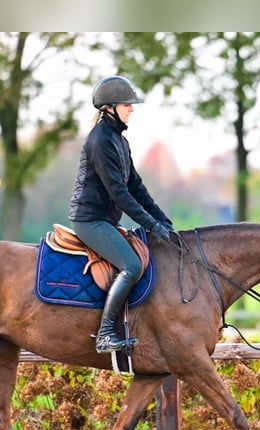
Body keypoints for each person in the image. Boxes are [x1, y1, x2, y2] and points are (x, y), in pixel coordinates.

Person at [69, 75, 175, 354]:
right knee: (131, 265)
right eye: (127, 104)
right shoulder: (100, 140)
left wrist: (163, 220)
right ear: (109, 107)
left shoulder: (119, 140)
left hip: (106, 220)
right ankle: (104, 335)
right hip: (89, 219)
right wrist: (149, 223)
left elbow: (136, 187)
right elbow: (119, 193)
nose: (132, 109)